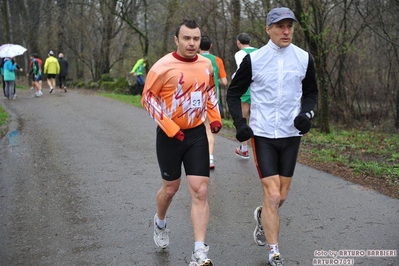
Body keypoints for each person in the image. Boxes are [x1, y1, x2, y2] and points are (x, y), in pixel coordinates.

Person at [226, 7, 318, 266]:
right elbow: (233, 93)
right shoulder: (254, 60)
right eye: (280, 26)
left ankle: (262, 216)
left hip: (291, 134)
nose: (286, 31)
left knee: (281, 197)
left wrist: (307, 114)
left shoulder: (303, 58)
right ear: (268, 29)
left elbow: (311, 92)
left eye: (290, 26)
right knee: (273, 195)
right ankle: (274, 251)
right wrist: (240, 124)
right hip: (263, 134)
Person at [141, 19, 221, 266]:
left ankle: (199, 251)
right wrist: (170, 127)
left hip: (196, 134)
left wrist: (215, 116)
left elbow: (208, 92)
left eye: (196, 38)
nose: (192, 43)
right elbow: (147, 99)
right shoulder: (162, 67)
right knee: (170, 189)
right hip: (170, 136)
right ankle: (160, 222)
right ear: (176, 40)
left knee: (201, 190)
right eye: (186, 38)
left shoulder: (206, 64)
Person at [199, 35, 228, 169]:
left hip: (196, 99)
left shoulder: (196, 59)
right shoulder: (217, 60)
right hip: (212, 99)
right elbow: (224, 82)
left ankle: (198, 158)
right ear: (211, 46)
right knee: (208, 130)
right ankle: (210, 158)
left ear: (198, 46)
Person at [233, 33, 258, 159]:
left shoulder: (239, 54)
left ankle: (244, 149)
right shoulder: (259, 51)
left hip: (246, 87)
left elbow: (240, 70)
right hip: (259, 87)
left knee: (244, 118)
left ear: (238, 42)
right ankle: (262, 147)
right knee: (257, 117)